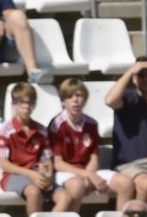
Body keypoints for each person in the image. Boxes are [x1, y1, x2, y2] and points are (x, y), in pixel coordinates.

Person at [104, 57, 147, 209]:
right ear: (134, 78)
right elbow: (109, 100)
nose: (146, 78)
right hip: (128, 164)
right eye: (141, 74)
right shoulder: (127, 99)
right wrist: (131, 71)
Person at [0, 83, 63, 215]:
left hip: (37, 174)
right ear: (14, 105)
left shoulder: (41, 130)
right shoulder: (4, 131)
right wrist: (32, 174)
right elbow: (4, 165)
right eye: (22, 102)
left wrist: (47, 175)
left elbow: (47, 159)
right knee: (33, 192)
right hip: (14, 176)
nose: (26, 106)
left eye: (30, 102)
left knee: (65, 197)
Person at [47, 79, 111, 208]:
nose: (75, 101)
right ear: (63, 101)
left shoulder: (92, 124)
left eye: (79, 95)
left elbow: (94, 158)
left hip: (87, 171)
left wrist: (89, 176)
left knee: (125, 183)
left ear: (85, 99)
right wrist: (88, 175)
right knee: (77, 186)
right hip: (65, 172)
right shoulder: (56, 125)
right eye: (70, 97)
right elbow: (58, 164)